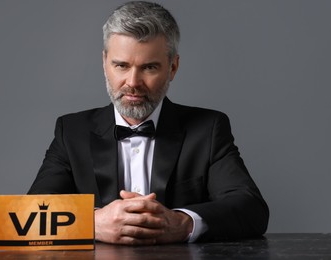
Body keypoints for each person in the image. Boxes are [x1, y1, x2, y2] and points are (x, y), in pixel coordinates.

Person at [28, 1, 269, 245]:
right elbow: (26, 213)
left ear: (172, 67)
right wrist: (92, 223)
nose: (132, 82)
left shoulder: (208, 128)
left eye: (149, 67)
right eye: (121, 65)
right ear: (104, 62)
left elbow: (251, 209)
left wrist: (183, 222)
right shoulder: (71, 131)